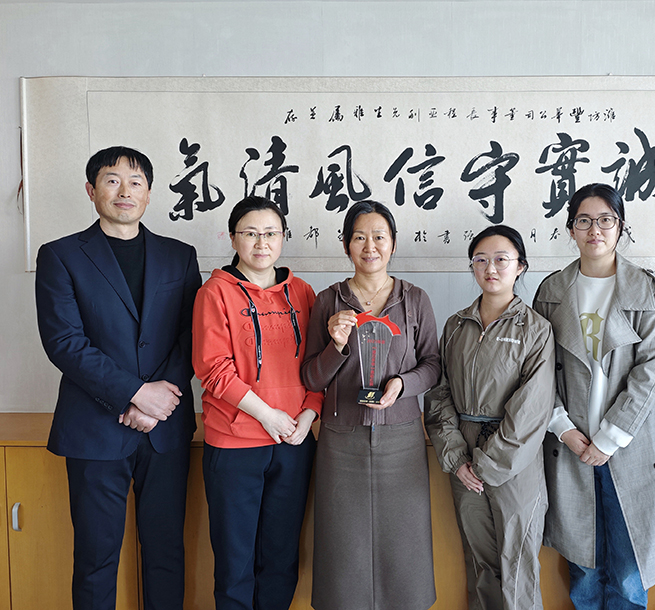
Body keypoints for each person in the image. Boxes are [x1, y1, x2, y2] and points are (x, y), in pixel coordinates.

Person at [34, 146, 201, 609]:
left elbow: (192, 334)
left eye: (135, 182)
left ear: (149, 193)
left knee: (166, 553)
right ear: (92, 191)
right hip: (94, 428)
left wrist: (160, 401)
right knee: (95, 558)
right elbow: (64, 342)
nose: (124, 191)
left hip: (165, 428)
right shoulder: (61, 255)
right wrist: (135, 394)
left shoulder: (179, 256)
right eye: (112, 180)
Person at [533, 183, 655, 610]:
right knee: (584, 568)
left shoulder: (646, 288)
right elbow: (537, 371)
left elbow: (651, 370)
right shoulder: (551, 290)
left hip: (630, 445)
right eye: (584, 220)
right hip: (572, 444)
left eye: (605, 220)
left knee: (630, 573)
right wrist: (563, 428)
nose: (594, 229)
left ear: (620, 226)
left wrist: (610, 437)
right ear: (570, 229)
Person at [301, 200, 441, 610]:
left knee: (405, 544)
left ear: (393, 243)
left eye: (379, 236)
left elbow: (433, 366)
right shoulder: (328, 301)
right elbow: (311, 377)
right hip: (341, 440)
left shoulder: (414, 299)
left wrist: (403, 383)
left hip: (402, 439)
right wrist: (336, 346)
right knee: (343, 548)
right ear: (346, 244)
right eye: (359, 237)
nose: (370, 246)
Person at [191, 195, 322, 609]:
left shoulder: (302, 292)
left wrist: (308, 415)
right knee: (235, 562)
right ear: (233, 239)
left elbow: (320, 363)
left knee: (281, 557)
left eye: (270, 233)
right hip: (235, 445)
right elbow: (213, 369)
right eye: (250, 233)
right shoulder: (214, 292)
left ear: (283, 238)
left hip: (294, 441)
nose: (261, 243)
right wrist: (267, 415)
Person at [424, 225, 556, 610]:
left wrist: (485, 465)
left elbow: (532, 408)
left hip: (514, 459)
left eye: (501, 259)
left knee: (518, 563)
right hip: (463, 455)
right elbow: (440, 393)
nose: (490, 268)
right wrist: (457, 459)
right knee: (480, 561)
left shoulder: (536, 329)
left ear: (520, 266)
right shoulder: (456, 325)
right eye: (480, 260)